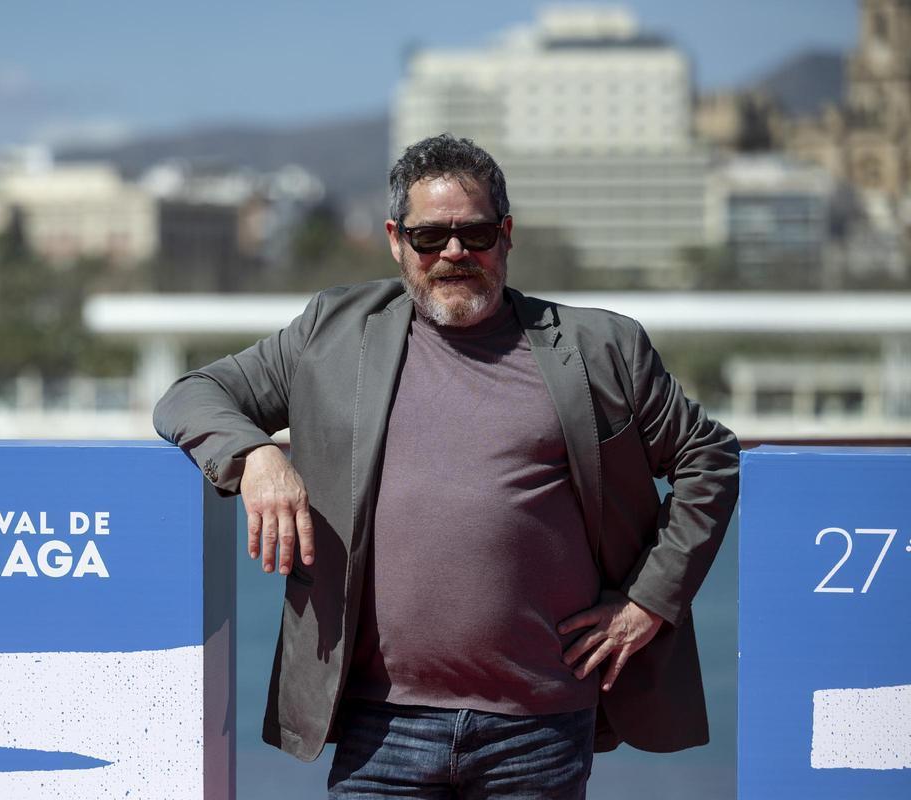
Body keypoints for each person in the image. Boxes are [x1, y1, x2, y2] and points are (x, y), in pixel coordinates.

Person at [154, 133, 739, 799]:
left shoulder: (602, 349)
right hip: (380, 727)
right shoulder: (331, 332)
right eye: (431, 237)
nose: (455, 253)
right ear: (396, 240)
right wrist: (256, 456)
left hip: (539, 729)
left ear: (507, 236)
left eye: (476, 233)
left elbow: (709, 458)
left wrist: (648, 602)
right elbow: (191, 395)